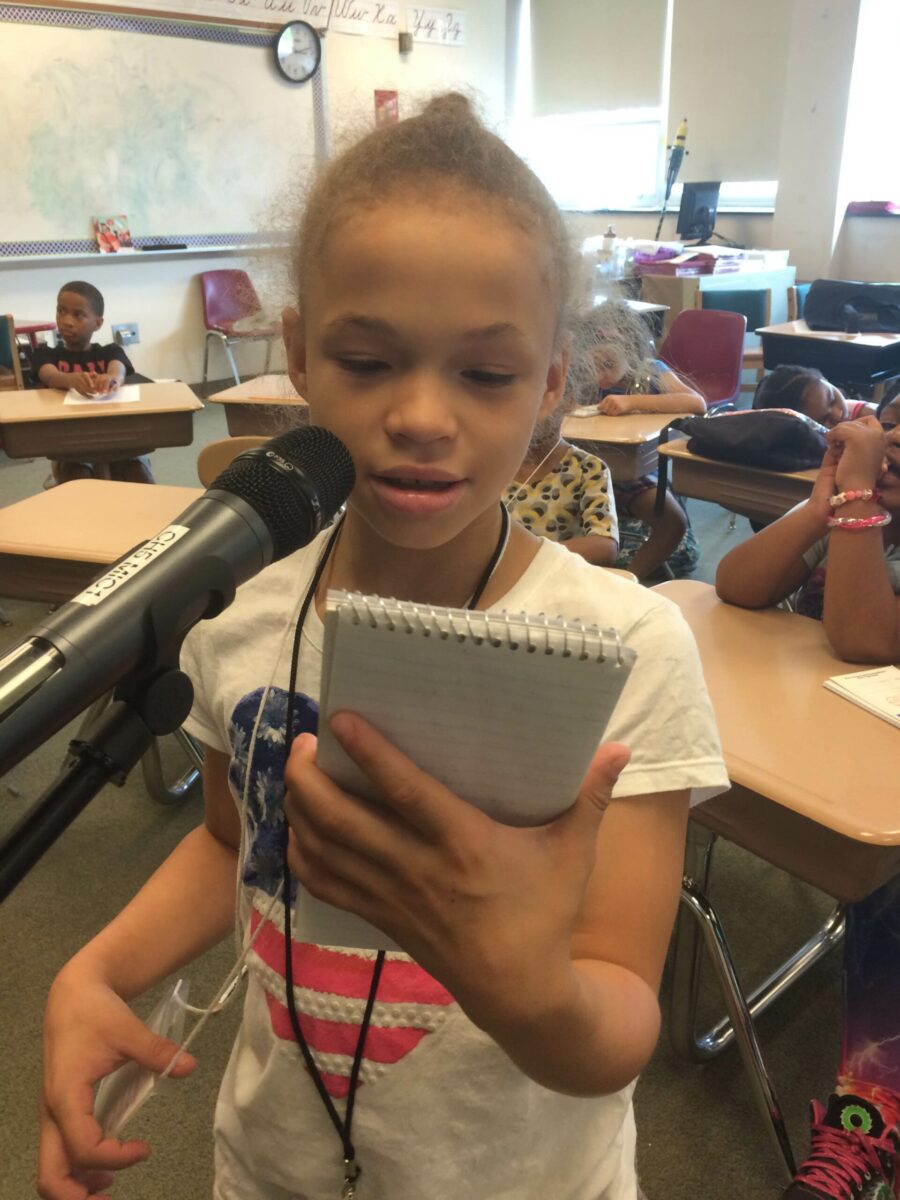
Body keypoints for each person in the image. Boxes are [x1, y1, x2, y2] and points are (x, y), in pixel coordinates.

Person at [38, 94, 729, 1200]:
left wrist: (529, 991)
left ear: (552, 383)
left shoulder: (624, 649)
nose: (421, 416)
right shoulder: (241, 612)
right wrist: (97, 969)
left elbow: (614, 1028)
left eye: (486, 375)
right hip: (272, 1165)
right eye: (367, 360)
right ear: (301, 355)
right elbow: (231, 841)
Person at [716, 391, 900, 1199]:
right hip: (845, 757)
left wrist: (857, 499)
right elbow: (735, 585)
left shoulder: (870, 515)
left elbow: (864, 639)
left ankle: (870, 1114)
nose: (891, 447)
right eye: (890, 429)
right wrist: (825, 503)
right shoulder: (863, 517)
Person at [568, 301, 705, 581]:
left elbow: (697, 403)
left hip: (633, 472)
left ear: (630, 353)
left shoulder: (651, 371)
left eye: (608, 365)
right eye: (594, 366)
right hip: (587, 471)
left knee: (672, 521)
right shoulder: (583, 377)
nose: (600, 376)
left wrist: (632, 402)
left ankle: (631, 577)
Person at [505, 311, 619, 567]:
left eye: (546, 396)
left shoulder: (588, 469)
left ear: (568, 401)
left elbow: (605, 545)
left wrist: (524, 558)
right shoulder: (496, 464)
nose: (534, 412)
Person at [32, 281, 154, 485]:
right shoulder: (46, 354)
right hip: (70, 440)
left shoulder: (110, 351)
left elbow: (118, 369)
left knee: (137, 472)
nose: (67, 321)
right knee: (78, 476)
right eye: (61, 311)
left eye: (78, 315)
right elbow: (50, 376)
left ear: (97, 323)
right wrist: (70, 380)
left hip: (117, 435)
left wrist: (111, 378)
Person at [752, 364, 876, 429]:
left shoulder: (870, 415)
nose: (838, 415)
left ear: (826, 380)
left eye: (832, 400)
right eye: (822, 421)